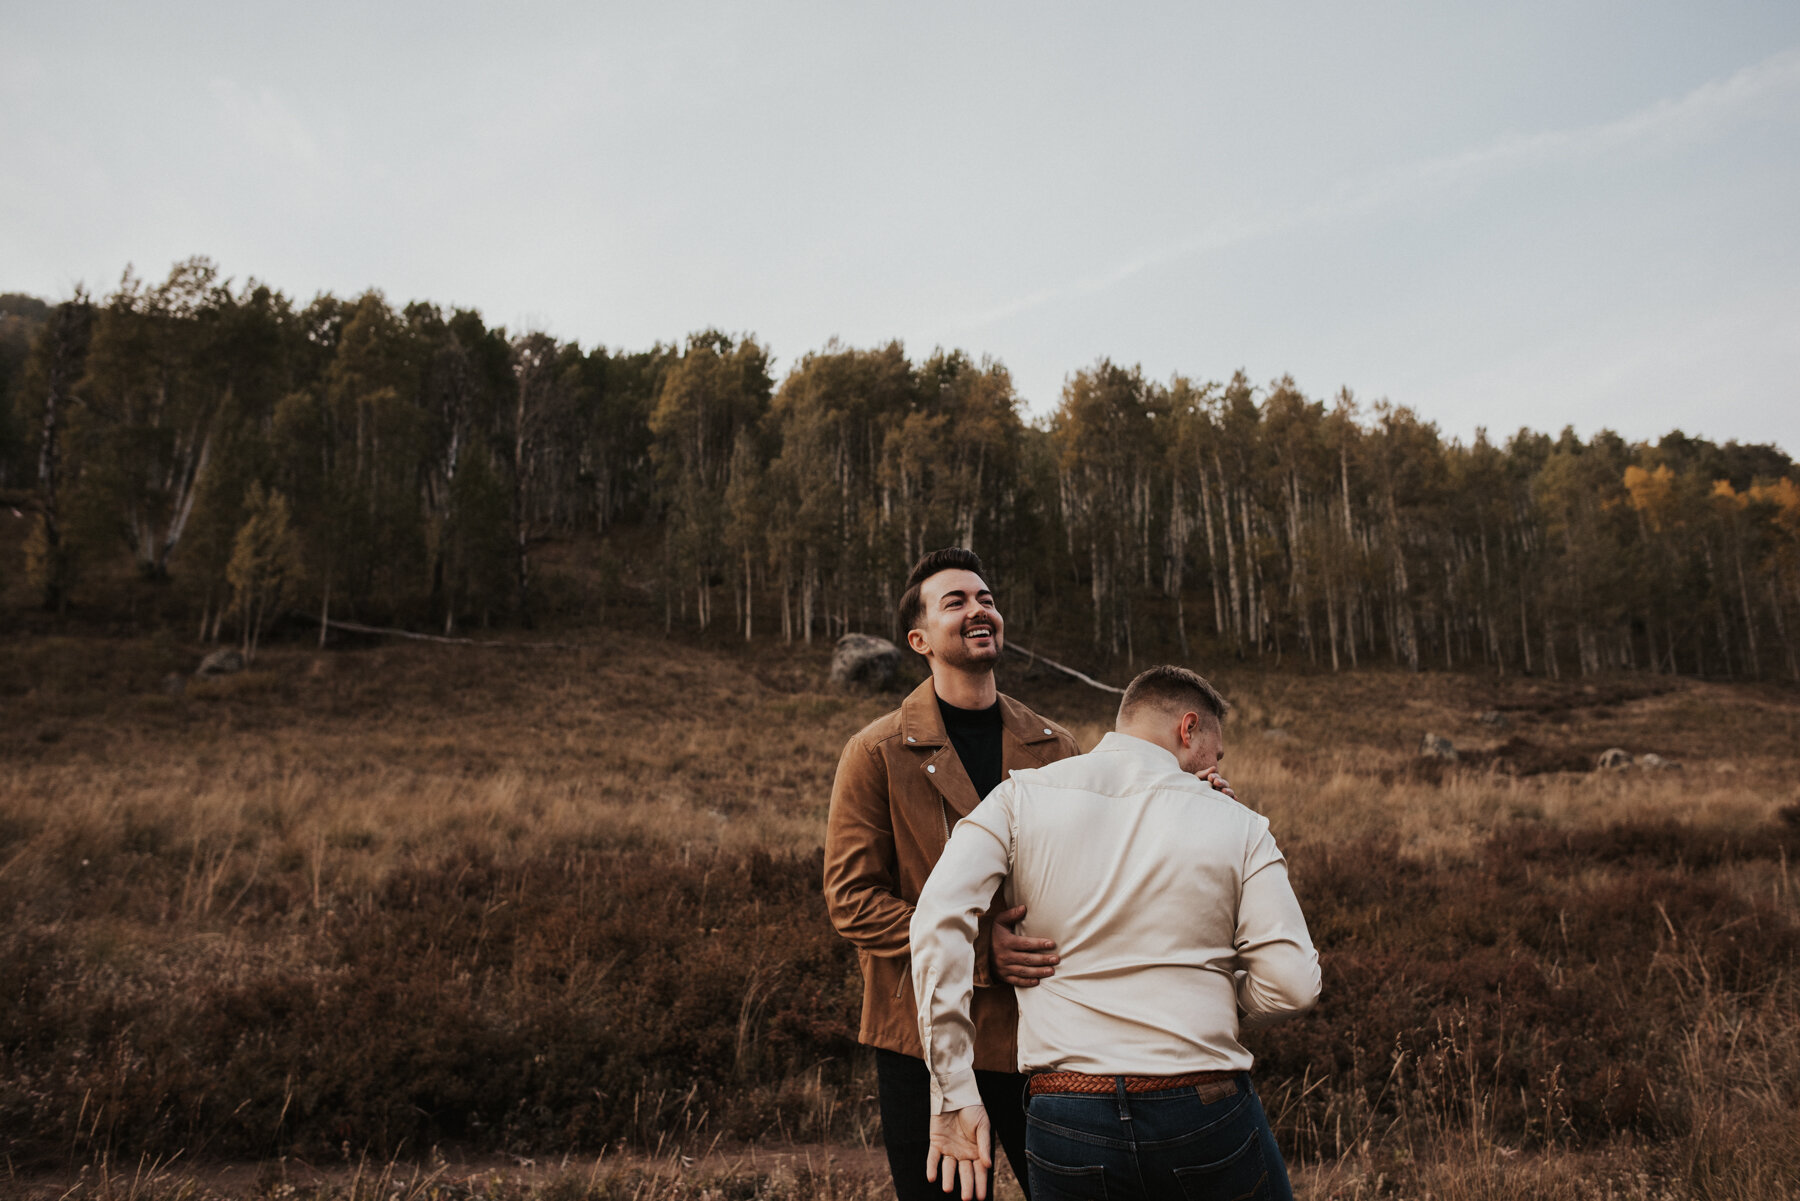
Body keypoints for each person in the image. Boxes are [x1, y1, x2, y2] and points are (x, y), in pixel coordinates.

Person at [910, 665, 1320, 1201]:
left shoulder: (1018, 799)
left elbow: (936, 920)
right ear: (1188, 728)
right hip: (1202, 1105)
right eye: (1214, 754)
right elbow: (1293, 983)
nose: (1215, 769)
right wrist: (1222, 992)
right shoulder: (1237, 823)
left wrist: (954, 1090)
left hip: (1067, 1112)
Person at [824, 547, 1081, 1201]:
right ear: (919, 639)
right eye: (957, 601)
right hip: (924, 1042)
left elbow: (1098, 875)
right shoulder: (876, 753)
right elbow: (853, 901)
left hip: (1043, 1037)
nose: (979, 609)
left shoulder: (1057, 747)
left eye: (986, 598)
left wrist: (1190, 798)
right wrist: (975, 944)